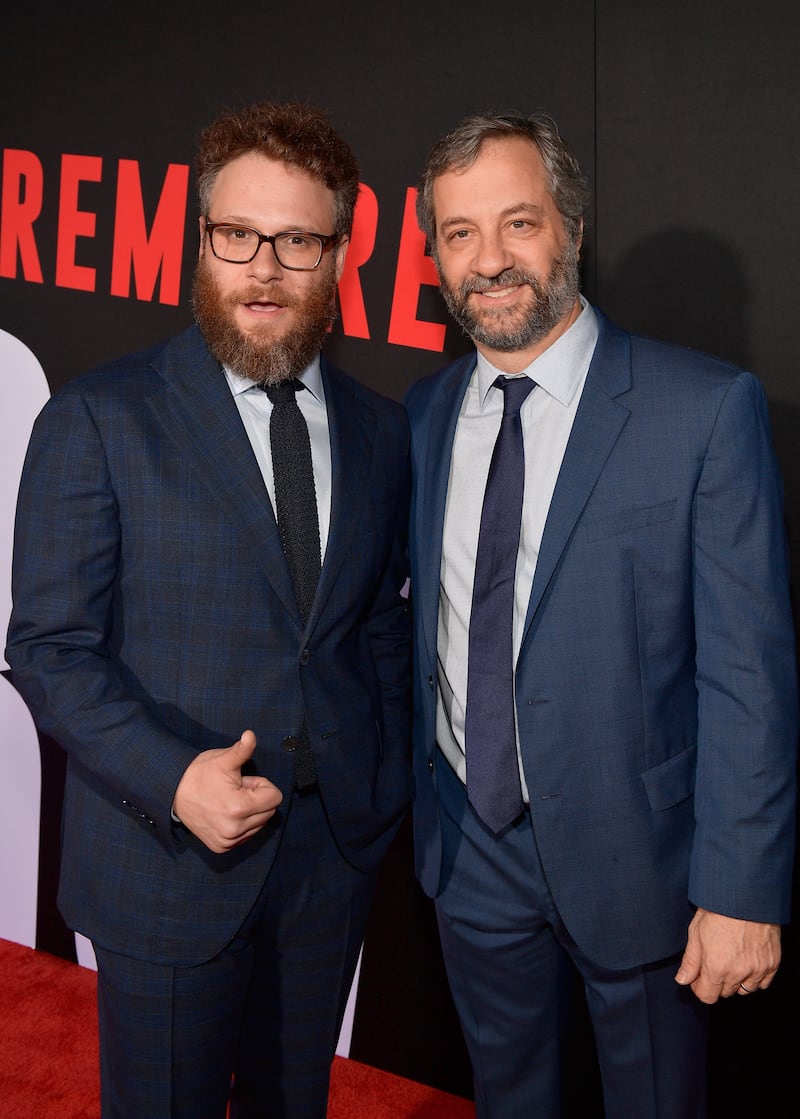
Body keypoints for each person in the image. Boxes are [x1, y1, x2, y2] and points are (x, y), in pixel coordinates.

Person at [6, 99, 411, 1119]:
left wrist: (380, 784)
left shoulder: (381, 432)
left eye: (296, 241)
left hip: (330, 863)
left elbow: (376, 628)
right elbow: (48, 647)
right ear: (200, 240)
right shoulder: (100, 417)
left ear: (339, 254)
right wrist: (174, 777)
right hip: (166, 857)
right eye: (237, 234)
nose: (263, 269)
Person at [404, 111, 798, 1118]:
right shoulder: (425, 414)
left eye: (518, 223)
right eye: (459, 232)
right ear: (434, 254)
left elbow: (746, 673)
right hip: (470, 849)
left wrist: (740, 887)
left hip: (645, 863)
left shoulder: (702, 410)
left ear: (571, 229)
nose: (490, 260)